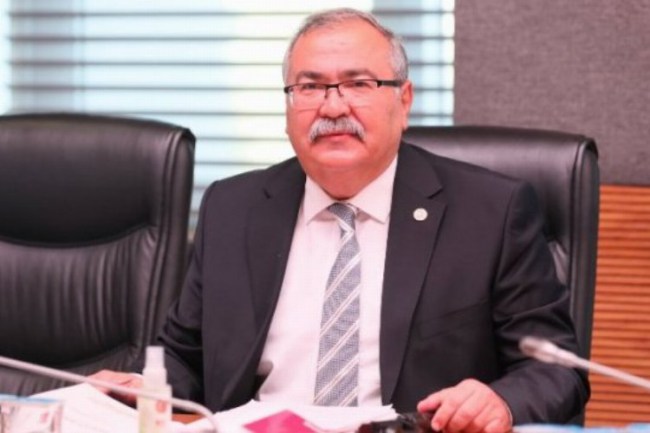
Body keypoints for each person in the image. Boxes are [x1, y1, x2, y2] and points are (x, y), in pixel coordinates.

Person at [94, 8, 589, 432]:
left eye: (358, 84)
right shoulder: (233, 207)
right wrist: (138, 386)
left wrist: (500, 402)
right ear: (288, 106)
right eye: (310, 86)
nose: (333, 106)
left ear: (404, 100)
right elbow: (185, 356)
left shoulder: (491, 211)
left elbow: (557, 372)